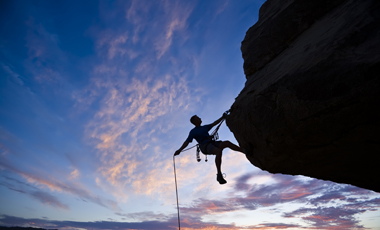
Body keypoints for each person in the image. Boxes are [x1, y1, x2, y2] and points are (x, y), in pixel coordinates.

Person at [174, 113, 244, 184]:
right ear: (195, 121)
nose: (200, 118)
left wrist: (222, 117)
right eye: (198, 118)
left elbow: (214, 123)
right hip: (204, 146)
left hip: (211, 143)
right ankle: (219, 174)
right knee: (218, 151)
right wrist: (180, 150)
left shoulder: (204, 127)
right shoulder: (193, 132)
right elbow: (187, 142)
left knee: (227, 143)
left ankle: (244, 151)